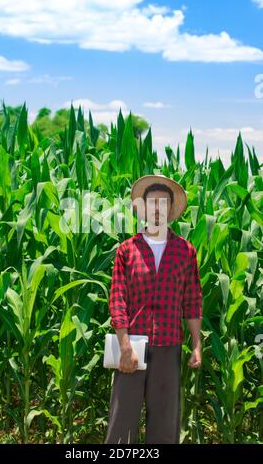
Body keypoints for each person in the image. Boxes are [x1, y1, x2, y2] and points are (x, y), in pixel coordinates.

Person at [104, 174, 203, 444]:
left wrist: (196, 344)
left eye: (163, 202)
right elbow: (117, 300)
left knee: (164, 422)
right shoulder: (127, 250)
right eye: (152, 203)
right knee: (121, 422)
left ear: (171, 209)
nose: (157, 208)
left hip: (169, 345)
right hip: (132, 345)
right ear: (143, 208)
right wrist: (124, 345)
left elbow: (192, 300)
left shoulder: (185, 251)